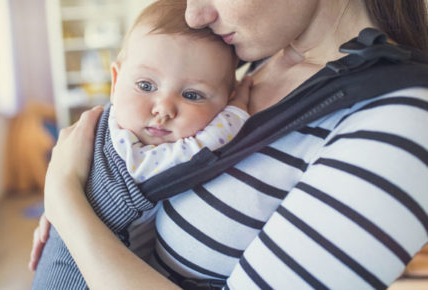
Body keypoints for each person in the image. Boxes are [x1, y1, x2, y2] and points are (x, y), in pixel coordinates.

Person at [30, 0, 428, 289]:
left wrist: (66, 202)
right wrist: (92, 189)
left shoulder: (403, 120)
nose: (194, 14)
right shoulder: (254, 65)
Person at [31, 1, 250, 288]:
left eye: (192, 95)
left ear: (224, 97)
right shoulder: (127, 150)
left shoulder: (114, 124)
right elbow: (196, 155)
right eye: (146, 86)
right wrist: (236, 113)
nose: (163, 109)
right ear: (115, 81)